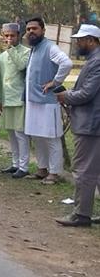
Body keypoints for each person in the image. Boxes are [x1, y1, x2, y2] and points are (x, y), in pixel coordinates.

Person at [55, 24, 100, 227]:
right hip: (92, 122)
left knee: (83, 170)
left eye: (80, 40)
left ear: (91, 41)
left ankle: (81, 215)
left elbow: (87, 93)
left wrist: (67, 96)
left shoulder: (96, 61)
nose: (77, 43)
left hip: (90, 124)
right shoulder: (94, 60)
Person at [23, 16, 72, 185]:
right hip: (33, 100)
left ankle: (54, 172)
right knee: (37, 136)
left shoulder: (50, 47)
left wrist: (55, 82)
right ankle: (42, 169)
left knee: (51, 137)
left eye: (34, 28)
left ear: (43, 30)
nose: (31, 32)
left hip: (48, 101)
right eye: (28, 29)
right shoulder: (34, 48)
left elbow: (66, 63)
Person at [0, 23, 31, 177]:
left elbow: (21, 65)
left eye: (12, 35)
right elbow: (0, 79)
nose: (9, 38)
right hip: (7, 99)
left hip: (20, 99)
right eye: (7, 36)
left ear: (19, 36)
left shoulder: (26, 52)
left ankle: (23, 166)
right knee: (11, 133)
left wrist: (11, 49)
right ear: (3, 36)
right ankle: (15, 163)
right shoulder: (2, 56)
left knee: (20, 134)